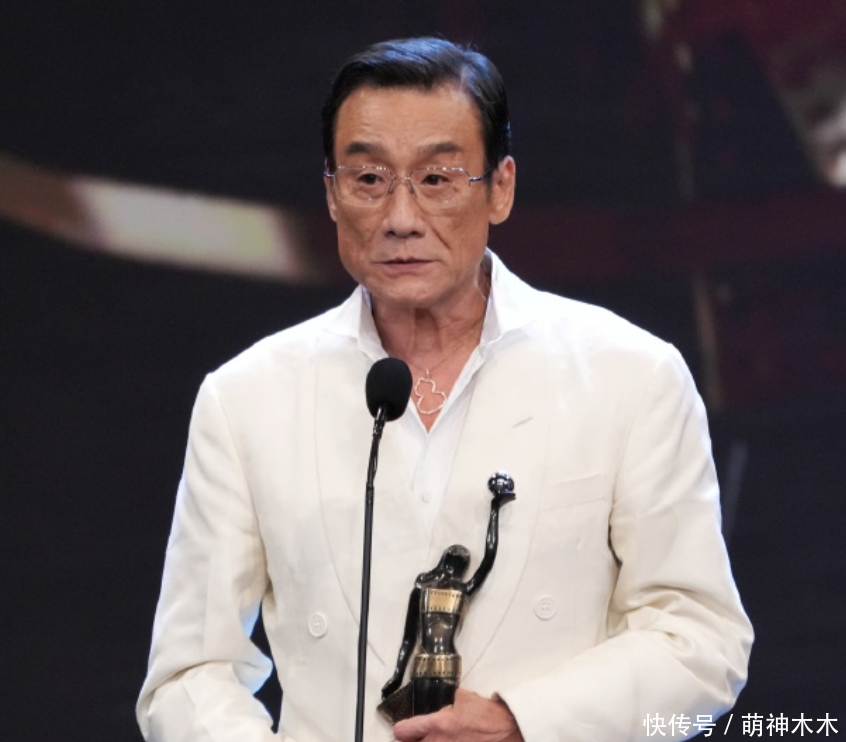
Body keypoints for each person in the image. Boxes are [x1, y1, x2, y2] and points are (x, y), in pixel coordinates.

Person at [137, 36, 753, 742]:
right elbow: (190, 674)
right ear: (331, 194)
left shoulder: (630, 376)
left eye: (436, 178)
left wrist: (525, 723)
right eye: (369, 179)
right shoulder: (246, 400)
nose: (401, 218)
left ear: (501, 188)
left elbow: (700, 642)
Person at [379, 473, 516, 721]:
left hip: (437, 663)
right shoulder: (439, 588)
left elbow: (488, 559)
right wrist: (397, 676)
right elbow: (409, 638)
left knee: (436, 725)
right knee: (424, 725)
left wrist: (495, 509)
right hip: (437, 663)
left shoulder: (446, 589)